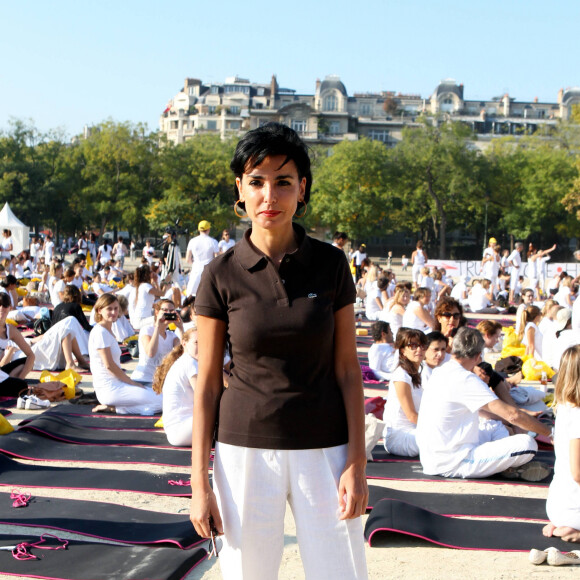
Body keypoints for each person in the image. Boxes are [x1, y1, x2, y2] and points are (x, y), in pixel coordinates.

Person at [190, 123, 368, 578]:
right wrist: (198, 482)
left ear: (301, 189)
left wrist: (357, 463)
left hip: (326, 446)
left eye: (283, 181)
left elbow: (349, 371)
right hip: (243, 448)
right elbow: (208, 383)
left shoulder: (330, 264)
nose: (270, 194)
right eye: (257, 181)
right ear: (240, 190)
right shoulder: (219, 274)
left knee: (340, 572)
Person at [416, 327, 551, 479]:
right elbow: (512, 415)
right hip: (453, 462)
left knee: (497, 428)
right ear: (478, 356)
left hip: (433, 455)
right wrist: (550, 434)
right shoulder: (465, 379)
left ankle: (505, 464)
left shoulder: (440, 371)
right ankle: (506, 465)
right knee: (528, 444)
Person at [89, 293, 162, 415]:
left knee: (160, 397)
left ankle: (118, 408)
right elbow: (109, 366)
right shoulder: (100, 332)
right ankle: (116, 409)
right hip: (109, 389)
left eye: (116, 308)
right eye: (109, 309)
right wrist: (132, 383)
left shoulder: (108, 330)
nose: (113, 312)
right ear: (99, 310)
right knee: (162, 402)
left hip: (117, 384)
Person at [543, 345, 580, 543]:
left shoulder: (565, 408)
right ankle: (575, 530)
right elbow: (578, 473)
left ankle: (565, 523)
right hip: (572, 509)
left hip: (557, 507)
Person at [382, 328, 427, 457]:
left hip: (415, 432)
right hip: (399, 436)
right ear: (403, 350)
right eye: (413, 346)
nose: (419, 350)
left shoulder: (416, 374)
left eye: (423, 346)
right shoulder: (401, 376)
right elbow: (411, 416)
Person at [152, 327, 198, 446]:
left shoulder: (187, 360)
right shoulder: (190, 363)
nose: (201, 346)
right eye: (196, 342)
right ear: (184, 343)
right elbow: (203, 397)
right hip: (182, 430)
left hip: (180, 428)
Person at [131, 300, 182, 386]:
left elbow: (182, 355)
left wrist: (180, 328)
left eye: (171, 311)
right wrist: (158, 327)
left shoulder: (172, 335)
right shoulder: (147, 330)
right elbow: (151, 353)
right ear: (157, 312)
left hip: (160, 381)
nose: (168, 313)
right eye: (165, 310)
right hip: (143, 380)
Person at [0, 292, 35, 396]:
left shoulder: (10, 330)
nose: (2, 308)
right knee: (21, 387)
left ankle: (11, 381)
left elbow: (31, 355)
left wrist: (20, 378)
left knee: (22, 382)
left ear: (10, 308)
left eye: (5, 305)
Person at [185, 220, 219, 297]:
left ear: (199, 229)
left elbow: (188, 259)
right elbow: (217, 258)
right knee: (208, 294)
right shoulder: (213, 242)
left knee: (191, 294)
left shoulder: (192, 241)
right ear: (208, 229)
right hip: (209, 270)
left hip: (196, 269)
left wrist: (194, 264)